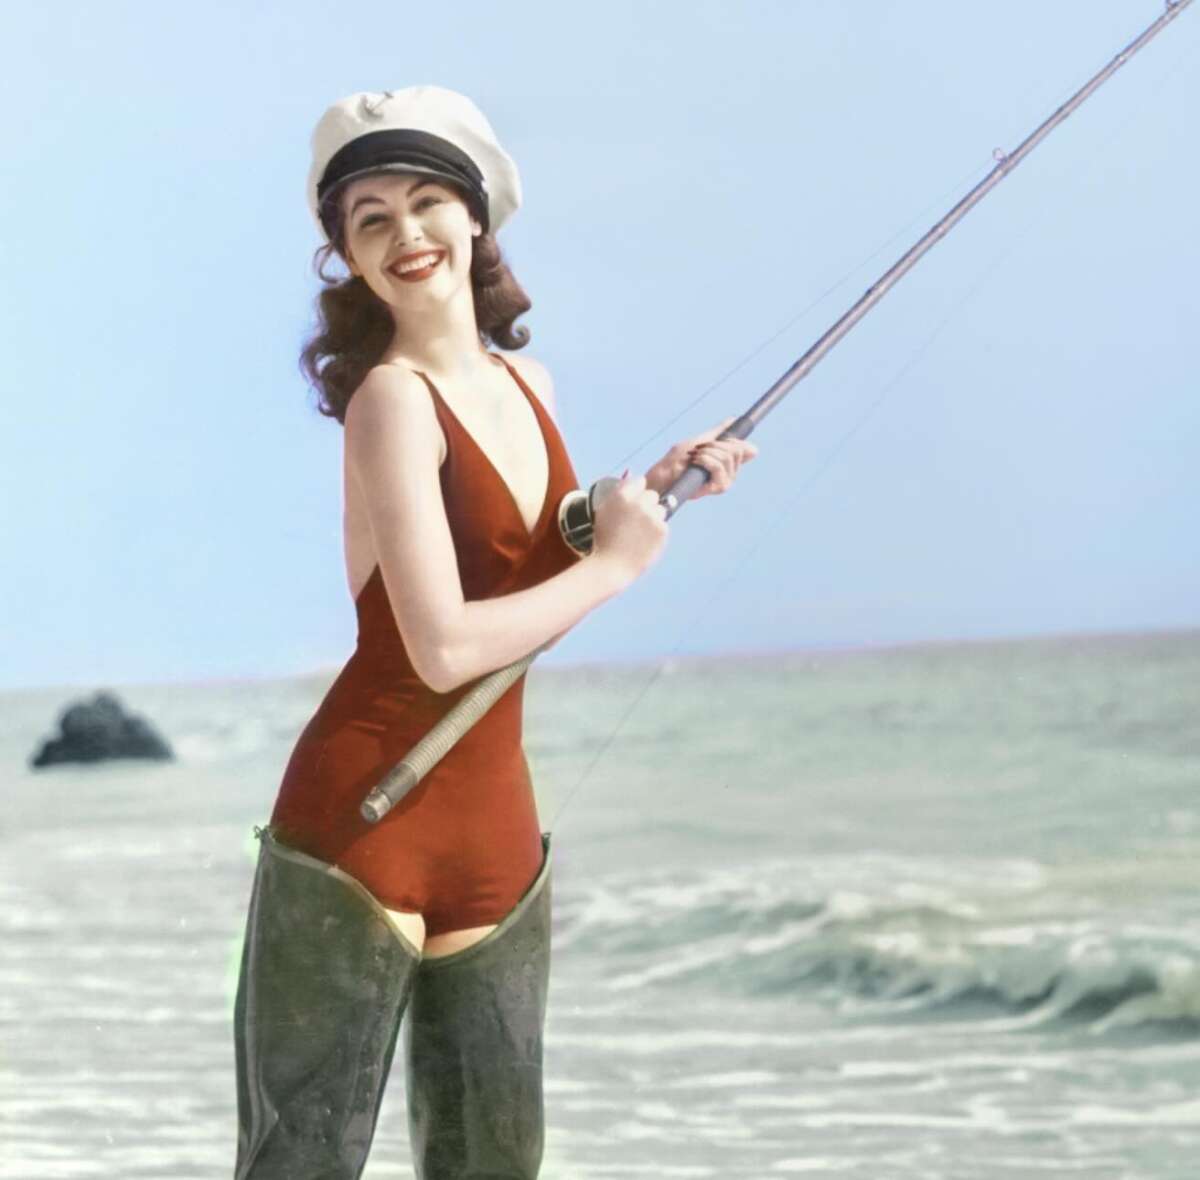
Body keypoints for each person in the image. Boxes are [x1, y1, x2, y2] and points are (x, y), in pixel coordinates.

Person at [231, 85, 757, 1180]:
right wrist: (614, 567)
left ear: (476, 219)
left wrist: (641, 499)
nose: (405, 233)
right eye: (369, 219)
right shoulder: (390, 399)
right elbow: (444, 647)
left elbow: (524, 563)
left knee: (493, 1165)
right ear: (348, 258)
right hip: (361, 818)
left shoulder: (530, 380)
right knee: (303, 1162)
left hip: (494, 829)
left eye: (426, 202)